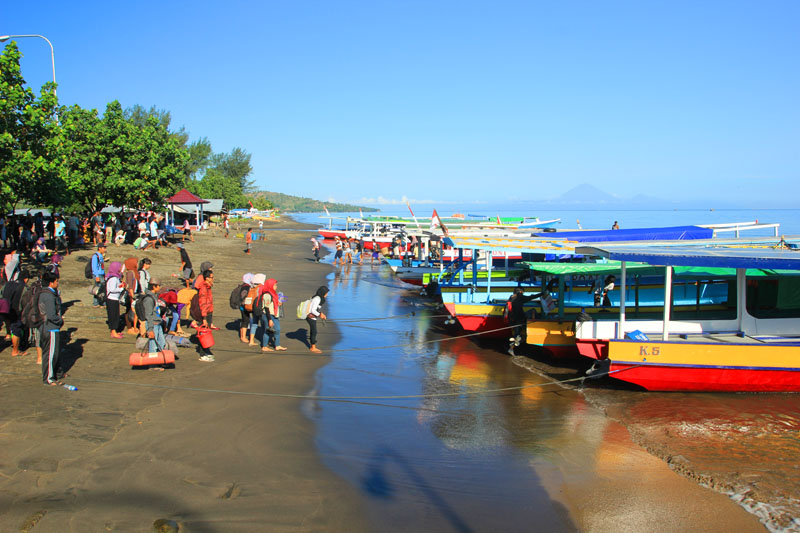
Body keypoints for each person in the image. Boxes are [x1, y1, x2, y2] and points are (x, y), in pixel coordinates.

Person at [39, 271, 65, 385]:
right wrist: (60, 320)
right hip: (51, 328)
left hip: (47, 327)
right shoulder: (49, 296)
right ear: (51, 283)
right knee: (50, 355)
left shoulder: (44, 293)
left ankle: (53, 375)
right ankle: (48, 379)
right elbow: (51, 315)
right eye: (56, 281)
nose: (58, 283)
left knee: (52, 353)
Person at [506, 287, 543, 356]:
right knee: (533, 311)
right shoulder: (520, 297)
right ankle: (512, 348)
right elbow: (531, 297)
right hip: (519, 320)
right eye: (523, 292)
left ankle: (515, 346)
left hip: (512, 320)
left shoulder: (511, 297)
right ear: (521, 292)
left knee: (517, 335)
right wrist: (542, 294)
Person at [1, 268, 30, 356]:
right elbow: (25, 302)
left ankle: (8, 335)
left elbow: (1, 294)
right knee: (16, 329)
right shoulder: (24, 287)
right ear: (26, 279)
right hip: (15, 311)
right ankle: (15, 350)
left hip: (4, 309)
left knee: (7, 323)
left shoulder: (8, 284)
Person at [258, 278, 287, 352]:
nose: (276, 286)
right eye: (275, 285)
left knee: (277, 329)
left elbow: (274, 303)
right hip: (268, 315)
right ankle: (264, 346)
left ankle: (277, 345)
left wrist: (279, 303)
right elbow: (266, 308)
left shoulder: (273, 293)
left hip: (274, 315)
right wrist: (269, 319)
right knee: (267, 330)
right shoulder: (267, 295)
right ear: (270, 285)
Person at [141, 278, 166, 355]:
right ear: (154, 287)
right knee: (153, 346)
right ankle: (153, 365)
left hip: (157, 324)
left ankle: (159, 362)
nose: (159, 287)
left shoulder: (154, 296)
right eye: (158, 286)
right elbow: (148, 315)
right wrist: (150, 329)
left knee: (162, 344)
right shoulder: (149, 299)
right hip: (153, 325)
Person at [105, 261, 126, 339]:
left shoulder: (114, 277)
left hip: (113, 299)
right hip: (112, 299)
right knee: (114, 316)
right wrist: (121, 289)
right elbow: (112, 289)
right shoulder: (113, 278)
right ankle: (113, 332)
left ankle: (114, 331)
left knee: (114, 315)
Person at [306, 286, 328, 353]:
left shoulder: (319, 298)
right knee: (314, 331)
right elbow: (313, 310)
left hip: (312, 316)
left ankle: (313, 346)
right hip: (310, 316)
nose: (327, 294)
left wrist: (320, 313)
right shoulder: (317, 299)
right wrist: (320, 315)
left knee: (313, 331)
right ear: (323, 292)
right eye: (326, 293)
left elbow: (316, 309)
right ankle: (313, 348)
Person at [123, 257, 139, 334]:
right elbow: (130, 286)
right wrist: (132, 296)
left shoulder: (134, 272)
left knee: (131, 310)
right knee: (129, 310)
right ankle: (129, 328)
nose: (137, 264)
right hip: (130, 295)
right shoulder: (130, 273)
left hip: (133, 294)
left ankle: (132, 327)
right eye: (136, 263)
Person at [91, 243, 106, 307]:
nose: (104, 249)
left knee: (98, 289)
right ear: (100, 248)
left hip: (101, 274)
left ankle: (96, 302)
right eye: (103, 248)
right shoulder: (95, 256)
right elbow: (94, 267)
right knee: (101, 289)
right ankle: (101, 302)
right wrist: (97, 276)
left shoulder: (101, 255)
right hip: (98, 274)